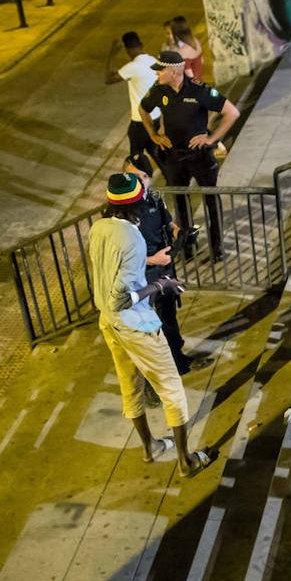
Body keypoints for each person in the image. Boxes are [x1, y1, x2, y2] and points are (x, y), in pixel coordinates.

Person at [88, 173, 215, 477]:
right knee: (172, 388)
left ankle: (151, 447)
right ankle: (186, 461)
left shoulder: (98, 228)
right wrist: (162, 286)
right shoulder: (131, 237)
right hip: (135, 325)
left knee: (129, 385)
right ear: (138, 204)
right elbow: (123, 297)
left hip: (108, 321)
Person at [138, 51, 240, 262]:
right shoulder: (159, 91)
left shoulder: (199, 90)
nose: (157, 74)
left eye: (161, 70)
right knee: (181, 204)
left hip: (200, 156)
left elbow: (232, 113)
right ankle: (187, 248)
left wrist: (211, 140)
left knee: (211, 202)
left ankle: (217, 249)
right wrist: (154, 135)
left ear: (174, 71)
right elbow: (142, 109)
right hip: (175, 157)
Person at [125, 155, 210, 375]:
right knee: (147, 330)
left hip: (163, 272)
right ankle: (153, 381)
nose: (137, 181)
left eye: (142, 177)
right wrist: (153, 260)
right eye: (131, 176)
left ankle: (178, 361)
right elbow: (119, 256)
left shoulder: (154, 198)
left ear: (149, 179)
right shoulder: (121, 211)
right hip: (140, 278)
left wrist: (180, 233)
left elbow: (168, 223)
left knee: (169, 318)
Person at [105, 31, 162, 171]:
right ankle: (173, 180)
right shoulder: (152, 60)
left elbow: (109, 78)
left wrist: (111, 54)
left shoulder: (132, 67)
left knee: (136, 157)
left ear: (126, 50)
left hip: (140, 121)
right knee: (155, 152)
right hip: (156, 116)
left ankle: (138, 184)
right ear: (141, 45)